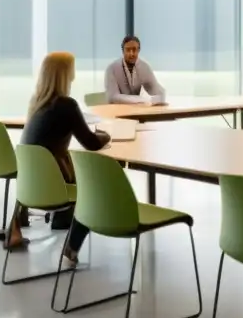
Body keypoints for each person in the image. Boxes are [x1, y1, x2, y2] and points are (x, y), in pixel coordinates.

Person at [14, 52, 110, 250]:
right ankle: (72, 247)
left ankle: (63, 218)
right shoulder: (67, 105)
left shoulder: (37, 102)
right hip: (55, 186)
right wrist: (106, 135)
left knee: (69, 163)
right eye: (72, 70)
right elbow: (91, 143)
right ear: (66, 74)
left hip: (29, 186)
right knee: (94, 178)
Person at [104, 36, 166, 104]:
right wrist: (141, 100)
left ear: (138, 50)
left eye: (134, 49)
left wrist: (158, 99)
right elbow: (113, 97)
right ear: (123, 51)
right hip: (114, 111)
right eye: (128, 50)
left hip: (136, 110)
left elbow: (156, 90)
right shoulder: (111, 68)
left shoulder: (144, 67)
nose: (131, 54)